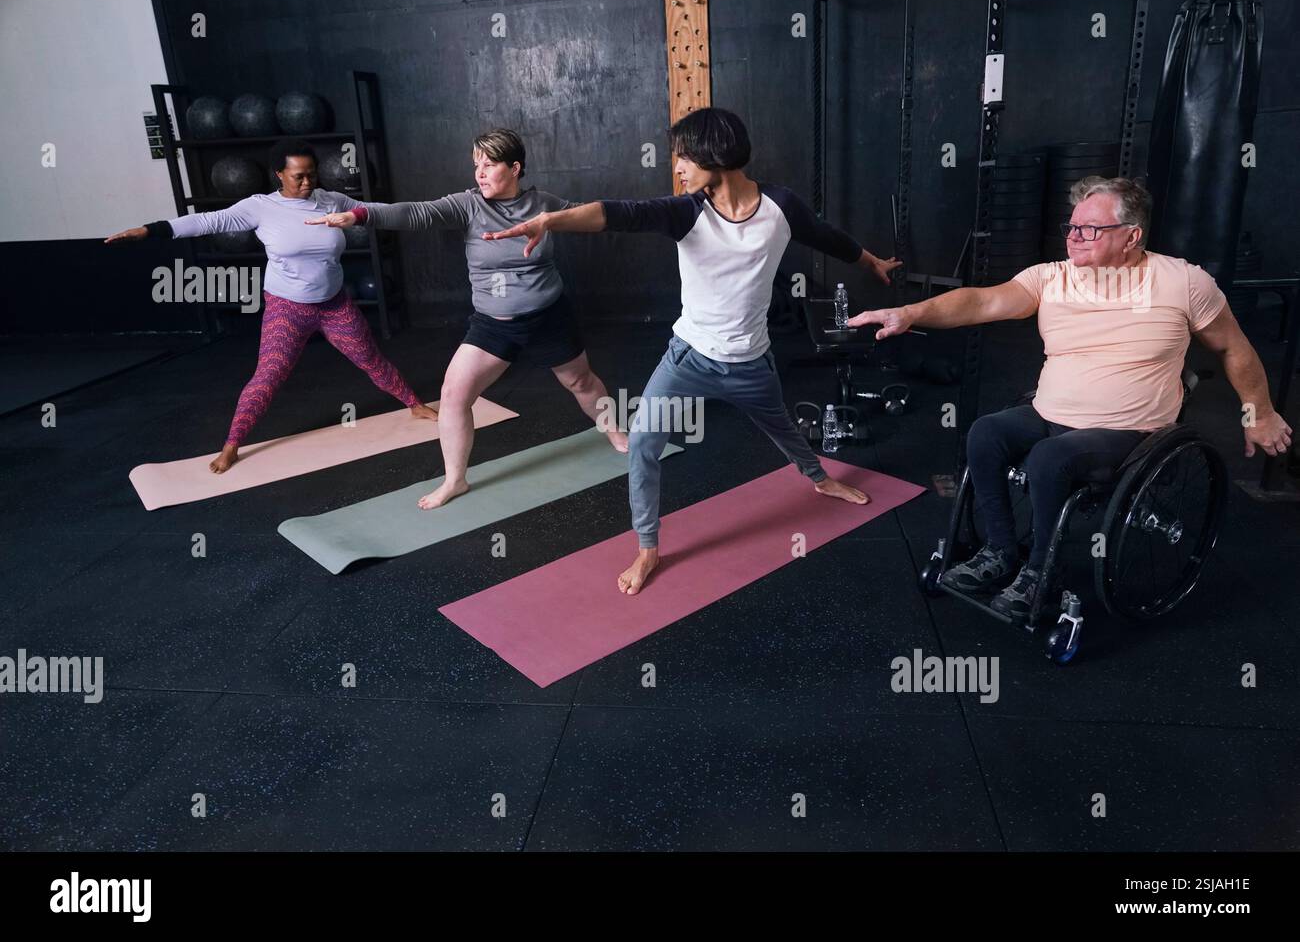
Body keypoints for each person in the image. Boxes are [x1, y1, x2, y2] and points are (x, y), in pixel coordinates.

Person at [483, 107, 901, 595]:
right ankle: (647, 548)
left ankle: (818, 477)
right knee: (642, 444)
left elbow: (826, 236)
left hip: (751, 363)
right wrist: (551, 220)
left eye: (682, 157)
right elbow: (615, 213)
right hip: (688, 360)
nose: (677, 167)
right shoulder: (687, 211)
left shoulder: (780, 207)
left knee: (783, 428)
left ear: (714, 154)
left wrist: (870, 261)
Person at [848, 175, 1292, 621]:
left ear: (1132, 236)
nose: (1075, 237)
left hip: (1128, 431)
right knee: (986, 434)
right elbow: (981, 303)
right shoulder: (1050, 278)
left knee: (1048, 459)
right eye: (1072, 227)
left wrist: (1260, 412)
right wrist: (908, 313)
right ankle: (1001, 551)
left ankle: (1043, 572)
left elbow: (1234, 347)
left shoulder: (1183, 283)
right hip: (1050, 412)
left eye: (1091, 229)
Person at [307, 128, 625, 510]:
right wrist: (359, 214)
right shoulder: (468, 205)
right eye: (476, 165)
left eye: (489, 165)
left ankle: (618, 435)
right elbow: (417, 212)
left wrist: (655, 216)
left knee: (581, 380)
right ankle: (454, 480)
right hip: (493, 324)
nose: (480, 173)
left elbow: (589, 215)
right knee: (454, 397)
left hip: (548, 316)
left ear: (515, 167)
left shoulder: (544, 204)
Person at [106, 138, 435, 473]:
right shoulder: (261, 207)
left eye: (312, 174)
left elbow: (374, 211)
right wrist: (150, 231)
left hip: (335, 304)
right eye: (298, 176)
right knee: (268, 376)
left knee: (370, 358)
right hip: (287, 309)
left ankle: (414, 404)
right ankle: (232, 445)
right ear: (279, 174)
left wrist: (417, 212)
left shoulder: (331, 201)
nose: (308, 182)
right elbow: (208, 221)